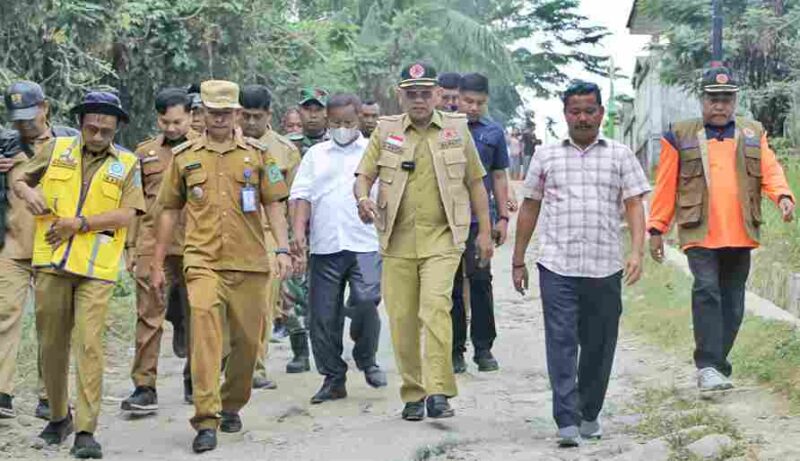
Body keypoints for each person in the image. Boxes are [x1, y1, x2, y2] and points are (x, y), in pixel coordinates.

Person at [151, 80, 292, 453]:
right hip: (202, 261)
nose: (218, 119)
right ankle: (206, 418)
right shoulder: (184, 157)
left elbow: (275, 203)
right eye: (211, 113)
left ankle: (232, 404)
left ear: (237, 114)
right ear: (202, 114)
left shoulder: (260, 156)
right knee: (206, 338)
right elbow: (168, 210)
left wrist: (282, 249)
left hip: (249, 262)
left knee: (247, 344)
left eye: (226, 113)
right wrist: (156, 261)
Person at [512, 81, 650, 447]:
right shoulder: (546, 156)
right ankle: (567, 420)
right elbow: (530, 205)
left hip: (605, 266)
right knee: (561, 342)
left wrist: (636, 251)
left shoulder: (620, 155)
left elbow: (635, 204)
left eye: (590, 110)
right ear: (565, 115)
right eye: (576, 111)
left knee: (599, 343)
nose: (583, 117)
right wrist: (517, 259)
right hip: (557, 266)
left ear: (601, 113)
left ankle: (589, 412)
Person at [354, 62, 493, 421]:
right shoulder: (385, 132)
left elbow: (476, 182)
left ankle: (439, 392)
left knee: (435, 310)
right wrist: (362, 199)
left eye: (424, 93)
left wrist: (485, 232)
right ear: (401, 96)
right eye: (411, 93)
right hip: (396, 240)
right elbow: (363, 176)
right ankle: (413, 393)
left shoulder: (456, 130)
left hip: (443, 238)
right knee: (401, 319)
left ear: (436, 95)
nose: (418, 100)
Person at [14, 90, 145, 458]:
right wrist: (27, 193)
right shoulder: (57, 150)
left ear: (117, 127)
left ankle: (86, 431)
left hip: (96, 270)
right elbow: (20, 179)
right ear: (82, 124)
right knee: (51, 346)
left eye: (106, 130)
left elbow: (128, 214)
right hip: (52, 262)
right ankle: (59, 417)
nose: (99, 136)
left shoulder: (127, 163)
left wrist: (81, 224)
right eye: (92, 129)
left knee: (89, 347)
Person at [648, 67, 795, 392]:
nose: (720, 106)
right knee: (707, 291)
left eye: (727, 99)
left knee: (733, 302)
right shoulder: (680, 134)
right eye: (714, 99)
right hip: (698, 230)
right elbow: (665, 184)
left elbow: (769, 169)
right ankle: (708, 366)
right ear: (702, 99)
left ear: (735, 101)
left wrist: (783, 195)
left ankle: (718, 365)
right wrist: (657, 227)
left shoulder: (753, 132)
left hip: (740, 231)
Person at [291, 93, 386, 405]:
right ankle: (333, 377)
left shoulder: (375, 152)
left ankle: (366, 357)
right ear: (328, 122)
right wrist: (298, 235)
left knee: (366, 300)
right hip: (325, 245)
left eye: (348, 122)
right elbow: (301, 196)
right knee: (323, 316)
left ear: (359, 118)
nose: (342, 128)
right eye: (336, 123)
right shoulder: (315, 155)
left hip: (366, 244)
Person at [0, 81, 77, 421]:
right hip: (11, 245)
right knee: (4, 318)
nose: (24, 125)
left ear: (45, 107)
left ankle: (50, 396)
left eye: (30, 117)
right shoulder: (3, 145)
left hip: (54, 247)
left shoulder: (70, 141)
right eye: (17, 119)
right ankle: (2, 393)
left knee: (53, 324)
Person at [122, 88, 194, 414]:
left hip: (196, 245)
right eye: (165, 122)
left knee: (200, 316)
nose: (171, 128)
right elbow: (134, 204)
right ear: (158, 119)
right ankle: (144, 386)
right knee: (149, 316)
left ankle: (197, 378)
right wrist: (130, 245)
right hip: (152, 247)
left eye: (178, 121)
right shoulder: (145, 154)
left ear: (191, 116)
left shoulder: (205, 150)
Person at [238, 84, 301, 390]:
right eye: (245, 116)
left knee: (263, 304)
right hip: (229, 233)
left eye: (256, 116)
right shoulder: (222, 143)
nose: (250, 123)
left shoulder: (285, 151)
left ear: (269, 115)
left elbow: (289, 201)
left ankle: (256, 367)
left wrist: (286, 246)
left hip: (267, 235)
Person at [450, 72, 510, 374]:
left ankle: (483, 349)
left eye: (479, 103)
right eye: (468, 101)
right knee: (450, 286)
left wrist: (503, 217)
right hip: (446, 220)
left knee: (481, 283)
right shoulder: (442, 129)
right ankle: (454, 350)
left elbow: (499, 176)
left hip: (479, 221)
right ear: (457, 98)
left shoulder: (494, 133)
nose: (473, 108)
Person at [281, 87, 331, 374]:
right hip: (294, 228)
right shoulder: (287, 147)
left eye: (317, 108)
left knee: (323, 292)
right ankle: (299, 351)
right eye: (307, 108)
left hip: (326, 226)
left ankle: (325, 346)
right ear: (299, 111)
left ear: (325, 111)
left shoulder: (338, 143)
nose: (312, 114)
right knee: (290, 290)